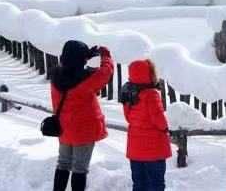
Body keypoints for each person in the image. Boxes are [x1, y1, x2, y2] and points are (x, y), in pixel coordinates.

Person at [51, 40, 114, 191]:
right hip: (84, 131)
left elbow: (72, 64)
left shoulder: (56, 77)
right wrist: (106, 56)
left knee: (63, 163)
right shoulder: (86, 80)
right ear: (80, 60)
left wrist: (85, 55)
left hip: (64, 129)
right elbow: (106, 72)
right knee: (80, 168)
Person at [122, 59, 172, 191]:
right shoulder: (152, 95)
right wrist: (166, 128)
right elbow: (159, 119)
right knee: (156, 184)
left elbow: (128, 118)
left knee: (139, 184)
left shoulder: (130, 94)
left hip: (135, 149)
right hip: (154, 150)